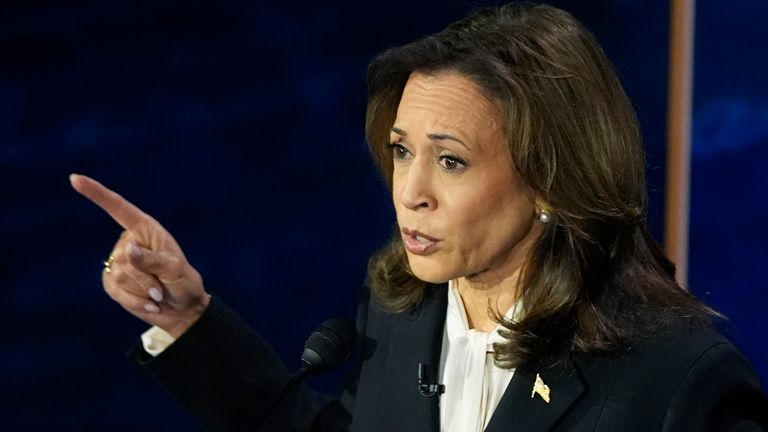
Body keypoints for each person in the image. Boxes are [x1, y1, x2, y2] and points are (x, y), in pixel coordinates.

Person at [71, 3, 768, 431]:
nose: (411, 191)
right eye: (402, 152)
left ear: (551, 179)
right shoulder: (402, 317)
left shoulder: (676, 380)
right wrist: (187, 319)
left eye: (452, 161)